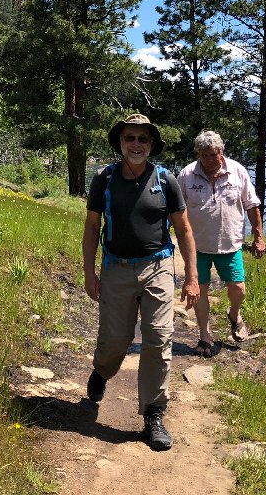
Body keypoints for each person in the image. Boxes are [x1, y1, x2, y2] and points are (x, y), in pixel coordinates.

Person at [82, 114, 200, 452]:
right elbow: (92, 227)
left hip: (158, 267)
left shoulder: (165, 179)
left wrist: (192, 277)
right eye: (130, 138)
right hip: (116, 268)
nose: (136, 144)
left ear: (151, 145)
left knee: (158, 339)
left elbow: (184, 229)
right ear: (120, 143)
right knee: (115, 341)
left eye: (143, 139)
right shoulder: (104, 179)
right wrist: (90, 272)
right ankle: (102, 371)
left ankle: (154, 414)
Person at [177, 131, 266, 357]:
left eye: (213, 154)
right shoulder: (187, 175)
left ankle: (234, 314)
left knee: (238, 289)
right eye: (204, 155)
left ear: (221, 152)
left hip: (230, 244)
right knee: (200, 291)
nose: (209, 159)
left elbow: (251, 204)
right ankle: (204, 337)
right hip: (197, 246)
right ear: (198, 154)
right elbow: (176, 209)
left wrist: (258, 236)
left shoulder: (237, 171)